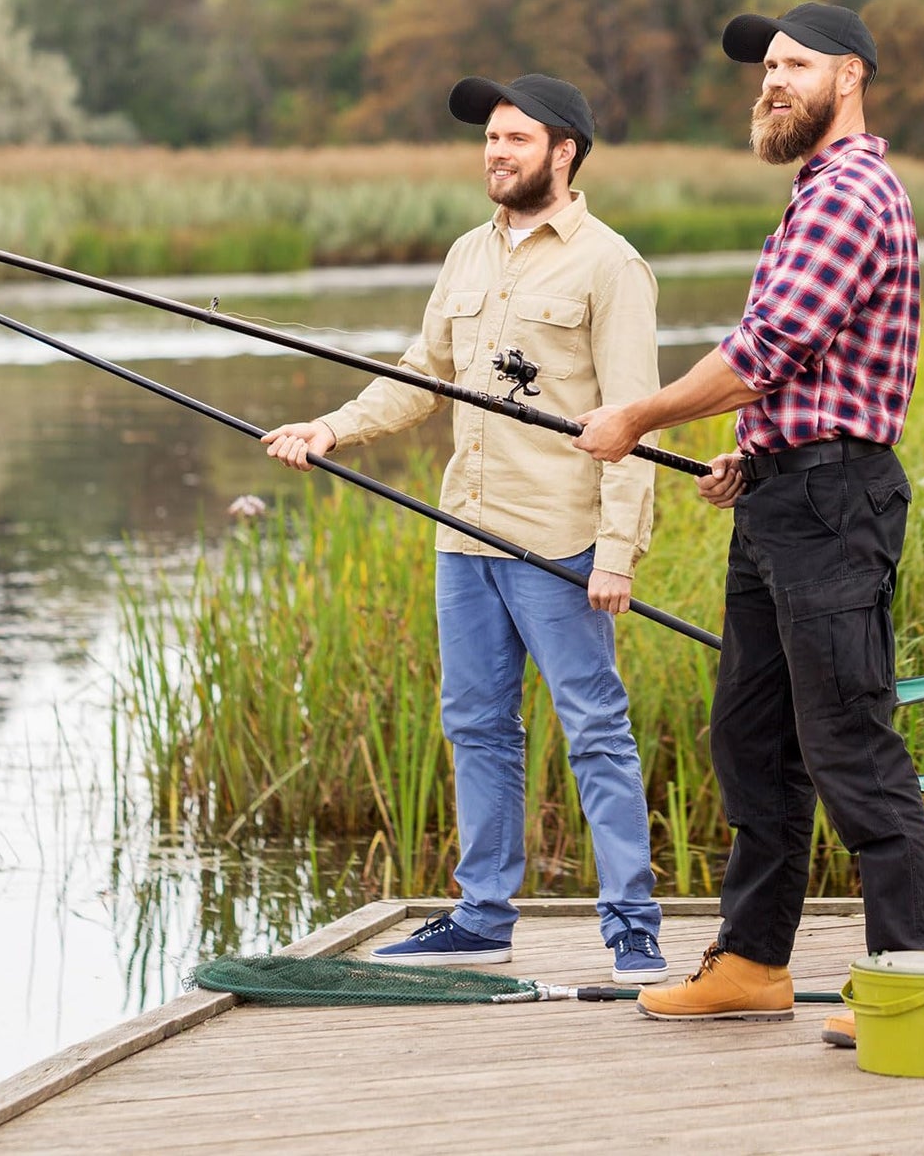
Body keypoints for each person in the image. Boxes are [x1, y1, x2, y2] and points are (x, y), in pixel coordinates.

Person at [574, 3, 924, 1039]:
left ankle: (911, 985)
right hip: (790, 489)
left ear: (851, 74)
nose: (770, 80)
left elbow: (763, 347)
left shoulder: (849, 193)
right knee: (749, 738)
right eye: (764, 67)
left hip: (833, 504)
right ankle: (749, 961)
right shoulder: (814, 192)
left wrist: (638, 412)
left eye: (792, 64)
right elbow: (795, 373)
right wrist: (757, 447)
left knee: (848, 745)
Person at [262, 73, 668, 983]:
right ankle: (482, 915)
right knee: (478, 726)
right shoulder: (464, 256)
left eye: (515, 139)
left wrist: (616, 552)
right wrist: (332, 428)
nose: (495, 152)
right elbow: (420, 375)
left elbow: (632, 418)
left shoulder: (611, 265)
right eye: (489, 138)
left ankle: (632, 926)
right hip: (464, 532)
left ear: (564, 152)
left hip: (558, 542)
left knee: (594, 727)